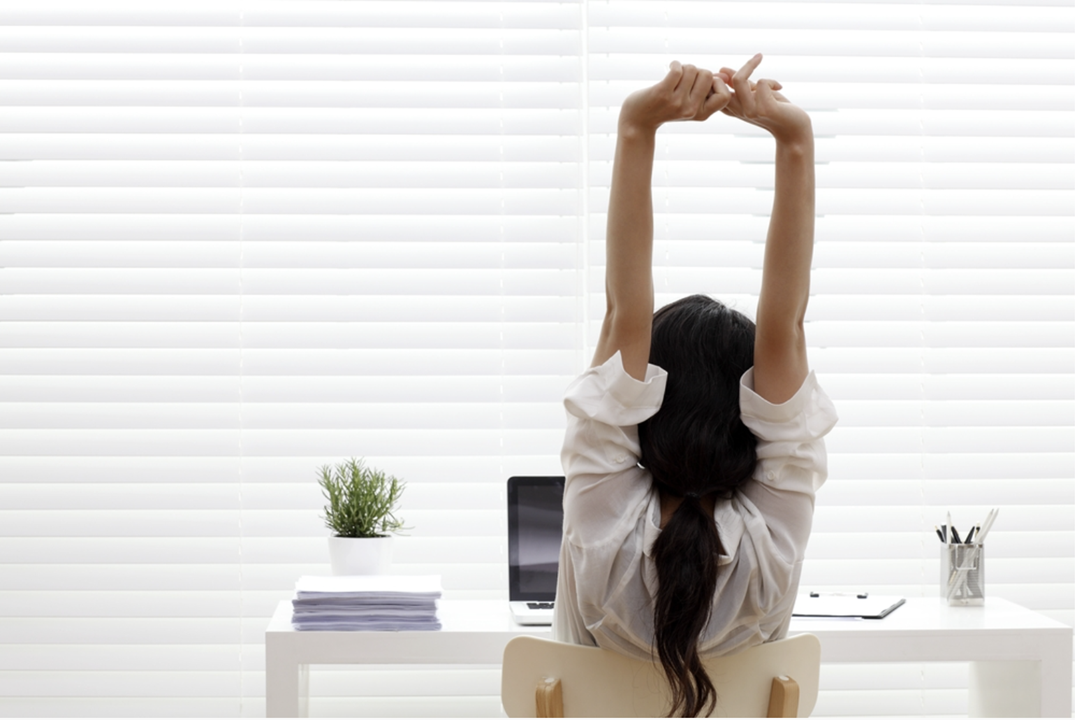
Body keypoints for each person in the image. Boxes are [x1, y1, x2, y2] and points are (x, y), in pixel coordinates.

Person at [552, 54, 839, 717]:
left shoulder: (600, 517)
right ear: (743, 416)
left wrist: (637, 126)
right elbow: (783, 327)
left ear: (648, 407)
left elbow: (623, 314)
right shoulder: (773, 532)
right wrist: (792, 138)